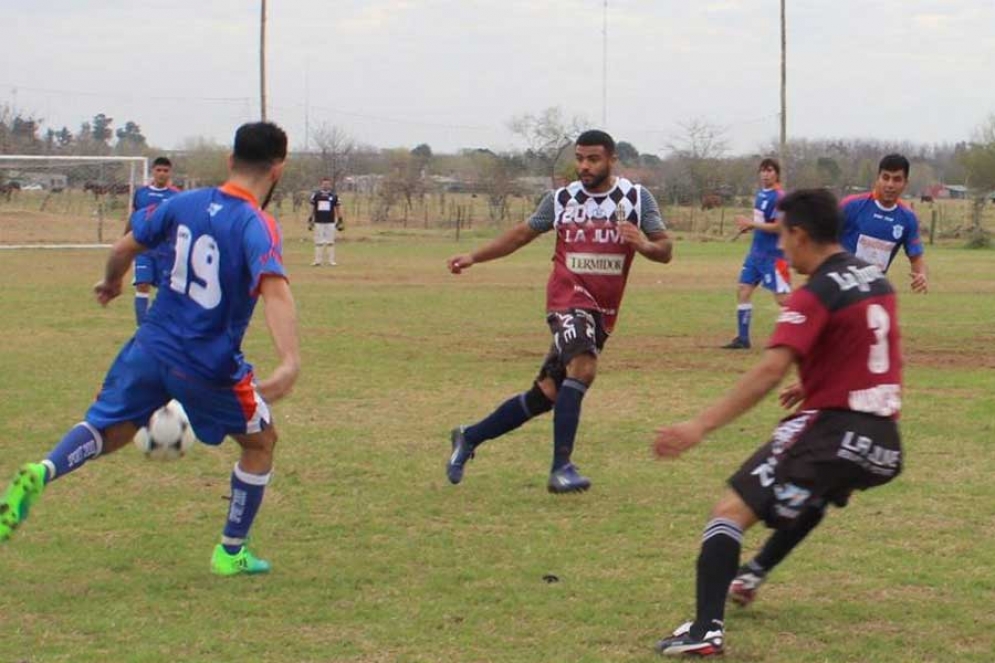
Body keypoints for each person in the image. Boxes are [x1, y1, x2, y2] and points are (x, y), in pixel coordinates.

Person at [0, 122, 300, 577]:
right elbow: (274, 289)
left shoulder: (183, 203)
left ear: (228, 160)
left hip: (151, 346)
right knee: (261, 442)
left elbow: (126, 246)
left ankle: (43, 470)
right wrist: (290, 361)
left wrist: (111, 281)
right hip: (207, 365)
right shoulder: (256, 224)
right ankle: (230, 552)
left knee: (110, 428)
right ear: (278, 169)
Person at [652, 189, 903, 656]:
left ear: (800, 234)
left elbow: (769, 370)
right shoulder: (876, 279)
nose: (782, 247)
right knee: (809, 494)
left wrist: (699, 426)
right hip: (883, 444)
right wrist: (814, 385)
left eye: (784, 236)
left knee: (729, 512)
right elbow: (869, 349)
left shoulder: (814, 293)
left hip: (834, 431)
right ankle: (754, 573)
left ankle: (706, 629)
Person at [446, 130, 673, 493]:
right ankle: (561, 467)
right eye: (580, 158)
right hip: (567, 300)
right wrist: (474, 256)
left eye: (593, 159)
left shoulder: (635, 198)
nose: (584, 166)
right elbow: (520, 235)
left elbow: (665, 249)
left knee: (547, 394)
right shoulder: (561, 200)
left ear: (612, 160)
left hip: (603, 310)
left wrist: (643, 243)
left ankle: (469, 436)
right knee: (583, 365)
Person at [723, 158, 789, 349]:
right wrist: (750, 228)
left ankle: (811, 323)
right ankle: (743, 339)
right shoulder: (761, 195)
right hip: (756, 254)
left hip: (774, 256)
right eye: (763, 170)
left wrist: (752, 224)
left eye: (770, 170)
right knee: (743, 289)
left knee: (783, 299)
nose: (766, 174)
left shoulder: (780, 198)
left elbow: (780, 226)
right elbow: (763, 223)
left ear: (777, 174)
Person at [840, 153, 928, 293]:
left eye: (897, 179)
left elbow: (916, 258)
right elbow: (823, 238)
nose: (890, 185)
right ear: (877, 179)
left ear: (905, 183)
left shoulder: (907, 218)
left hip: (871, 292)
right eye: (885, 178)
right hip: (839, 287)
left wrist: (921, 275)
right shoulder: (851, 205)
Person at [129, 156, 181, 325]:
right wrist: (125, 239)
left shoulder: (176, 196)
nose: (162, 174)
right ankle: (141, 329)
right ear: (152, 171)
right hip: (144, 249)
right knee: (142, 284)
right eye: (158, 170)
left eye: (165, 171)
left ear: (170, 173)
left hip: (167, 250)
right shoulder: (141, 193)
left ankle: (166, 326)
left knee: (167, 289)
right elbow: (133, 217)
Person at [309, 177, 341, 266]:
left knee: (330, 241)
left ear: (330, 185)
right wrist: (310, 217)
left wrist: (340, 218)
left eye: (327, 184)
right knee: (318, 241)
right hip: (318, 221)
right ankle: (317, 261)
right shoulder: (316, 195)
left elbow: (337, 207)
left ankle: (331, 261)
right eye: (324, 184)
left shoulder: (334, 195)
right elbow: (312, 207)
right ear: (321, 184)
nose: (326, 185)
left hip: (330, 221)